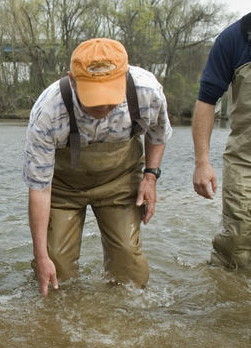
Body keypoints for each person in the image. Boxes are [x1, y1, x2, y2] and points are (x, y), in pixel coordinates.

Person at [23, 38, 172, 296]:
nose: (103, 106)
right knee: (56, 269)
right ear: (72, 80)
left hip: (120, 180)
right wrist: (41, 255)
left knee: (129, 269)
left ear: (125, 77)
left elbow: (158, 133)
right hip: (62, 189)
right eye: (95, 98)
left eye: (110, 97)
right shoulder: (48, 111)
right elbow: (39, 188)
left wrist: (150, 177)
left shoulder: (148, 92)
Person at [192, 12, 251, 268]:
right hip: (245, 162)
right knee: (237, 241)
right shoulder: (235, 38)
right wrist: (202, 162)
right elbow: (206, 100)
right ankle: (229, 302)